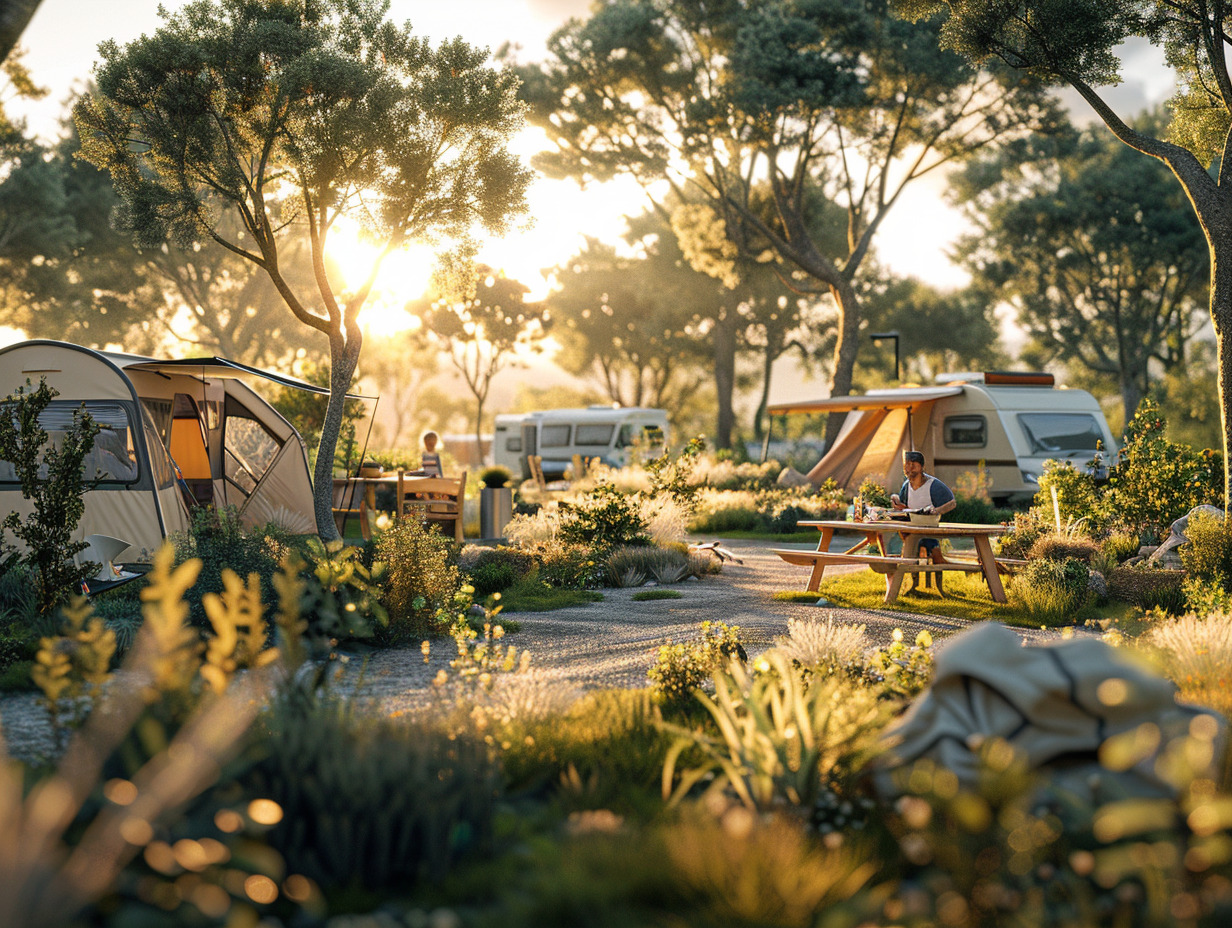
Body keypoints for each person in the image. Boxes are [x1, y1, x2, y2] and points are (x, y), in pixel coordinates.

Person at [890, 449, 956, 564]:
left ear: (921, 467)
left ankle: (905, 566)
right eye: (907, 465)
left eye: (913, 465)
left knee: (931, 554)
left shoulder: (933, 485)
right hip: (910, 529)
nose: (909, 469)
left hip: (928, 528)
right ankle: (896, 566)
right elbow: (903, 505)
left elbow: (952, 503)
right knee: (897, 542)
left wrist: (937, 511)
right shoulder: (906, 486)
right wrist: (894, 498)